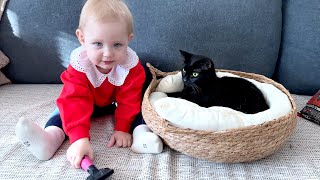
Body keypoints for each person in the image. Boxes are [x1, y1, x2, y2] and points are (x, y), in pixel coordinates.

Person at [15, 0, 162, 169]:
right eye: (98, 44)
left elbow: (129, 99)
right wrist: (79, 139)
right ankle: (50, 139)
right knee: (63, 109)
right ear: (82, 38)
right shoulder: (79, 66)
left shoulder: (131, 67)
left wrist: (122, 128)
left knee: (142, 105)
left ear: (128, 40)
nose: (108, 53)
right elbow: (75, 100)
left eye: (117, 45)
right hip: (86, 103)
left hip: (116, 104)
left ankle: (142, 135)